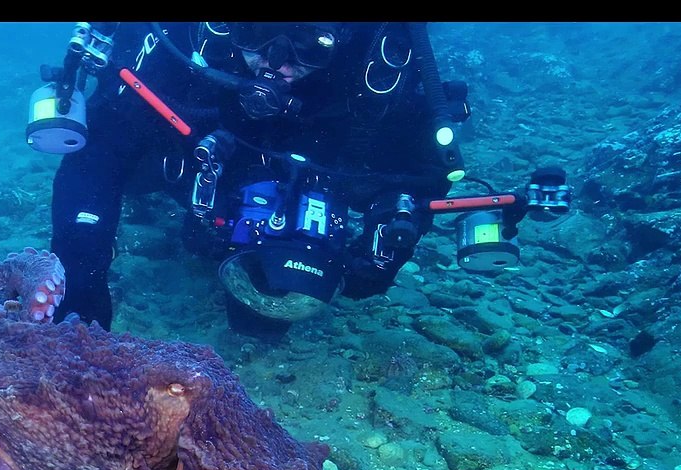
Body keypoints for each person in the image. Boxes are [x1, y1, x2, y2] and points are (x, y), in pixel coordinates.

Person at [34, 22, 472, 337]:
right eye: (256, 30)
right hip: (193, 148)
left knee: (269, 312)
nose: (276, 62)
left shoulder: (379, 57)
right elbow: (99, 150)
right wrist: (81, 271)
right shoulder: (184, 36)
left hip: (314, 162)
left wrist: (385, 249)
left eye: (308, 43)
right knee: (132, 165)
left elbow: (423, 172)